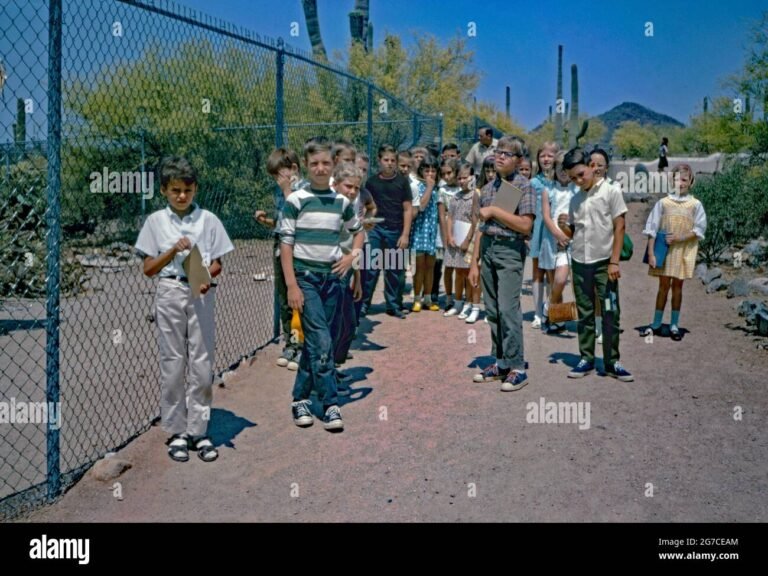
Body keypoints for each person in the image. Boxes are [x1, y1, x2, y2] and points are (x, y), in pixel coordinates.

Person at [135, 155, 234, 462]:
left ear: (195, 190)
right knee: (173, 361)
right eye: (175, 190)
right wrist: (171, 251)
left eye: (187, 191)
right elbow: (148, 268)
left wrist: (205, 279)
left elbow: (217, 262)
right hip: (169, 289)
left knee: (202, 362)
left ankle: (199, 431)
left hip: (200, 291)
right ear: (164, 189)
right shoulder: (155, 222)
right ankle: (177, 430)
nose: (182, 196)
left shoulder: (208, 219)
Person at [280, 140, 364, 431]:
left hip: (332, 279)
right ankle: (330, 404)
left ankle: (300, 398)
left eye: (326, 163)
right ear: (305, 165)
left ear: (333, 167)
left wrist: (352, 257)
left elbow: (358, 232)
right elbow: (286, 245)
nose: (320, 168)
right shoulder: (295, 201)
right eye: (314, 163)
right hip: (306, 280)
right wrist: (292, 286)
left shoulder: (341, 203)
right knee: (323, 342)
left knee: (317, 342)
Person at [557, 148, 634, 382]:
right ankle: (586, 358)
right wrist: (564, 226)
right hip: (580, 263)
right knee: (585, 312)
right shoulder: (575, 199)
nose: (579, 180)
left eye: (581, 174)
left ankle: (612, 362)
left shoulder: (611, 192)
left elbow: (619, 227)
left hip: (604, 265)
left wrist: (614, 261)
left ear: (591, 166)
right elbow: (573, 233)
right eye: (573, 178)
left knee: (610, 311)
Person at [468, 136, 536, 392]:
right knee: (493, 310)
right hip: (488, 250)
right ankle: (501, 362)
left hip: (510, 250)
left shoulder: (525, 187)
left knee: (508, 309)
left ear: (519, 160)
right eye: (498, 152)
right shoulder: (487, 189)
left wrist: (495, 211)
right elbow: (481, 229)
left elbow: (526, 226)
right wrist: (474, 263)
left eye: (507, 154)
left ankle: (518, 367)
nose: (500, 157)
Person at [254, 147, 308, 371]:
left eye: (279, 175)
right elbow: (282, 222)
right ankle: (292, 343)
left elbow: (298, 217)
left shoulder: (305, 191)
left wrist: (288, 191)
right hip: (281, 248)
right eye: (274, 176)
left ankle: (303, 344)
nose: (277, 181)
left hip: (299, 250)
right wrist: (266, 221)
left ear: (293, 169)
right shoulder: (282, 193)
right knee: (285, 298)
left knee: (300, 299)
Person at [642, 164, 706, 341]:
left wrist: (680, 237)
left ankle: (674, 324)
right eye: (677, 179)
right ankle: (656, 323)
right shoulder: (663, 203)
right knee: (663, 286)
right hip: (665, 251)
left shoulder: (695, 205)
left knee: (678, 287)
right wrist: (651, 254)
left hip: (683, 250)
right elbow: (651, 228)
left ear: (691, 181)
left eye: (684, 179)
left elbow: (699, 229)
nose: (680, 182)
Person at [361, 144, 413, 318]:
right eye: (386, 160)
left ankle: (393, 305)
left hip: (395, 231)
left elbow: (407, 209)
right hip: (375, 230)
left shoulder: (402, 182)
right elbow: (367, 206)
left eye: (392, 160)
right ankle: (363, 305)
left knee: (394, 269)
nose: (389, 164)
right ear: (379, 161)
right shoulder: (371, 182)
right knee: (370, 268)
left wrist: (405, 234)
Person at [330, 163, 365, 377]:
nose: (352, 191)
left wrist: (358, 278)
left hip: (348, 270)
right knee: (333, 324)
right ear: (335, 184)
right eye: (348, 186)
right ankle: (323, 374)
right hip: (332, 270)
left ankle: (333, 366)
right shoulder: (330, 206)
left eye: (356, 188)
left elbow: (353, 244)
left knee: (349, 324)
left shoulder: (349, 209)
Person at [539, 152, 576, 334]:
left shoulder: (576, 190)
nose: (562, 171)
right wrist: (557, 235)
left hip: (570, 241)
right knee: (555, 282)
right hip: (552, 240)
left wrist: (568, 235)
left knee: (561, 280)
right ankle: (558, 321)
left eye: (566, 168)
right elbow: (546, 216)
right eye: (559, 167)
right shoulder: (548, 190)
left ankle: (547, 308)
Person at [444, 162, 481, 322]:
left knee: (469, 274)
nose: (461, 181)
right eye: (459, 178)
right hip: (455, 241)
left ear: (472, 177)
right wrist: (449, 236)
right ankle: (458, 302)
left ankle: (471, 304)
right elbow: (450, 217)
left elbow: (475, 220)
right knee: (458, 273)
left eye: (465, 177)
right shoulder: (455, 197)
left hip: (468, 241)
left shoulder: (475, 196)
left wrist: (468, 240)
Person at [529, 142, 558, 329]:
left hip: (555, 232)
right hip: (538, 230)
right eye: (542, 156)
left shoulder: (562, 182)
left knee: (554, 274)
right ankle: (537, 313)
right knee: (537, 273)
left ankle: (553, 312)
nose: (546, 159)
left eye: (550, 155)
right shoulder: (533, 182)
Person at [409, 155, 440, 311]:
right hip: (420, 231)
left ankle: (428, 298)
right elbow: (421, 206)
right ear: (421, 171)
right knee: (419, 267)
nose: (430, 174)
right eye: (427, 170)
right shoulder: (418, 186)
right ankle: (417, 298)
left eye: (433, 171)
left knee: (430, 266)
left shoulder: (438, 189)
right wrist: (428, 187)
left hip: (431, 233)